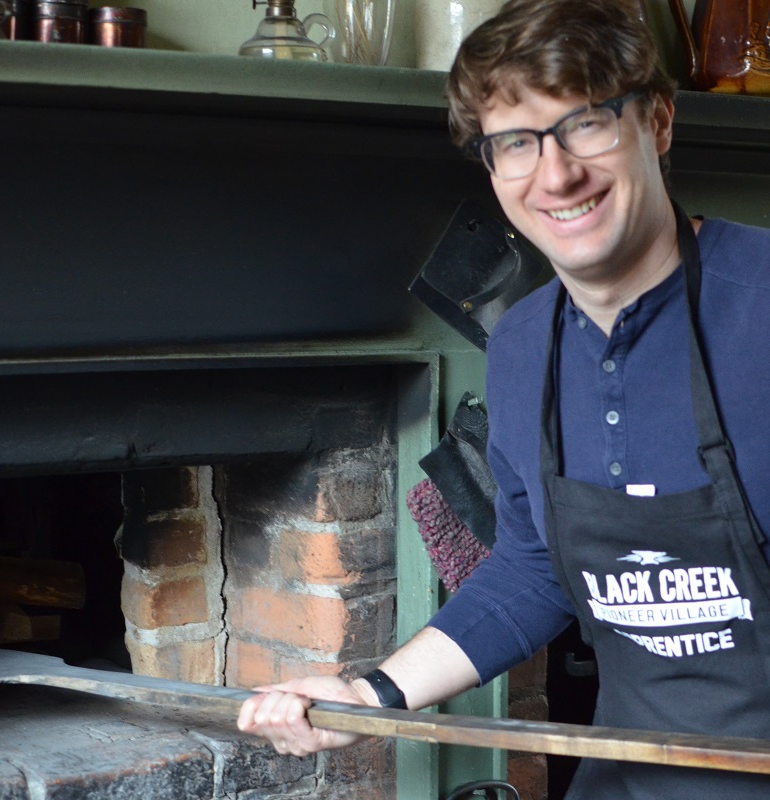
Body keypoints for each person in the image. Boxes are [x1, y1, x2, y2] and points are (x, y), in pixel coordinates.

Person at [238, 1, 770, 796]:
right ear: (492, 165)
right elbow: (534, 571)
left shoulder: (759, 301)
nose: (555, 175)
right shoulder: (525, 347)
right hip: (634, 775)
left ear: (657, 123)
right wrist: (370, 695)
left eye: (586, 124)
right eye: (517, 142)